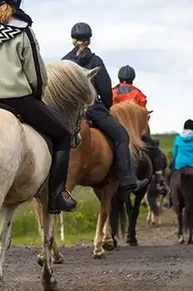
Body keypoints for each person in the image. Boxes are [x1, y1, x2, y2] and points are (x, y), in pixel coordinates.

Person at [0, 0, 76, 214]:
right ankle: (56, 196)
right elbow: (35, 74)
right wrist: (37, 95)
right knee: (63, 136)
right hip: (17, 100)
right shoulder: (23, 30)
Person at [63, 23, 148, 193]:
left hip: (68, 112)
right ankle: (128, 180)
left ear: (73, 40)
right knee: (121, 136)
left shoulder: (65, 61)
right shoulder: (95, 61)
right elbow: (104, 89)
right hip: (92, 110)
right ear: (89, 40)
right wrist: (107, 107)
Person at [112, 65, 167, 191]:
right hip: (134, 132)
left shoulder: (112, 92)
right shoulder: (138, 94)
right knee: (155, 150)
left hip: (114, 128)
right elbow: (143, 115)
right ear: (133, 78)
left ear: (119, 77)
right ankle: (160, 181)